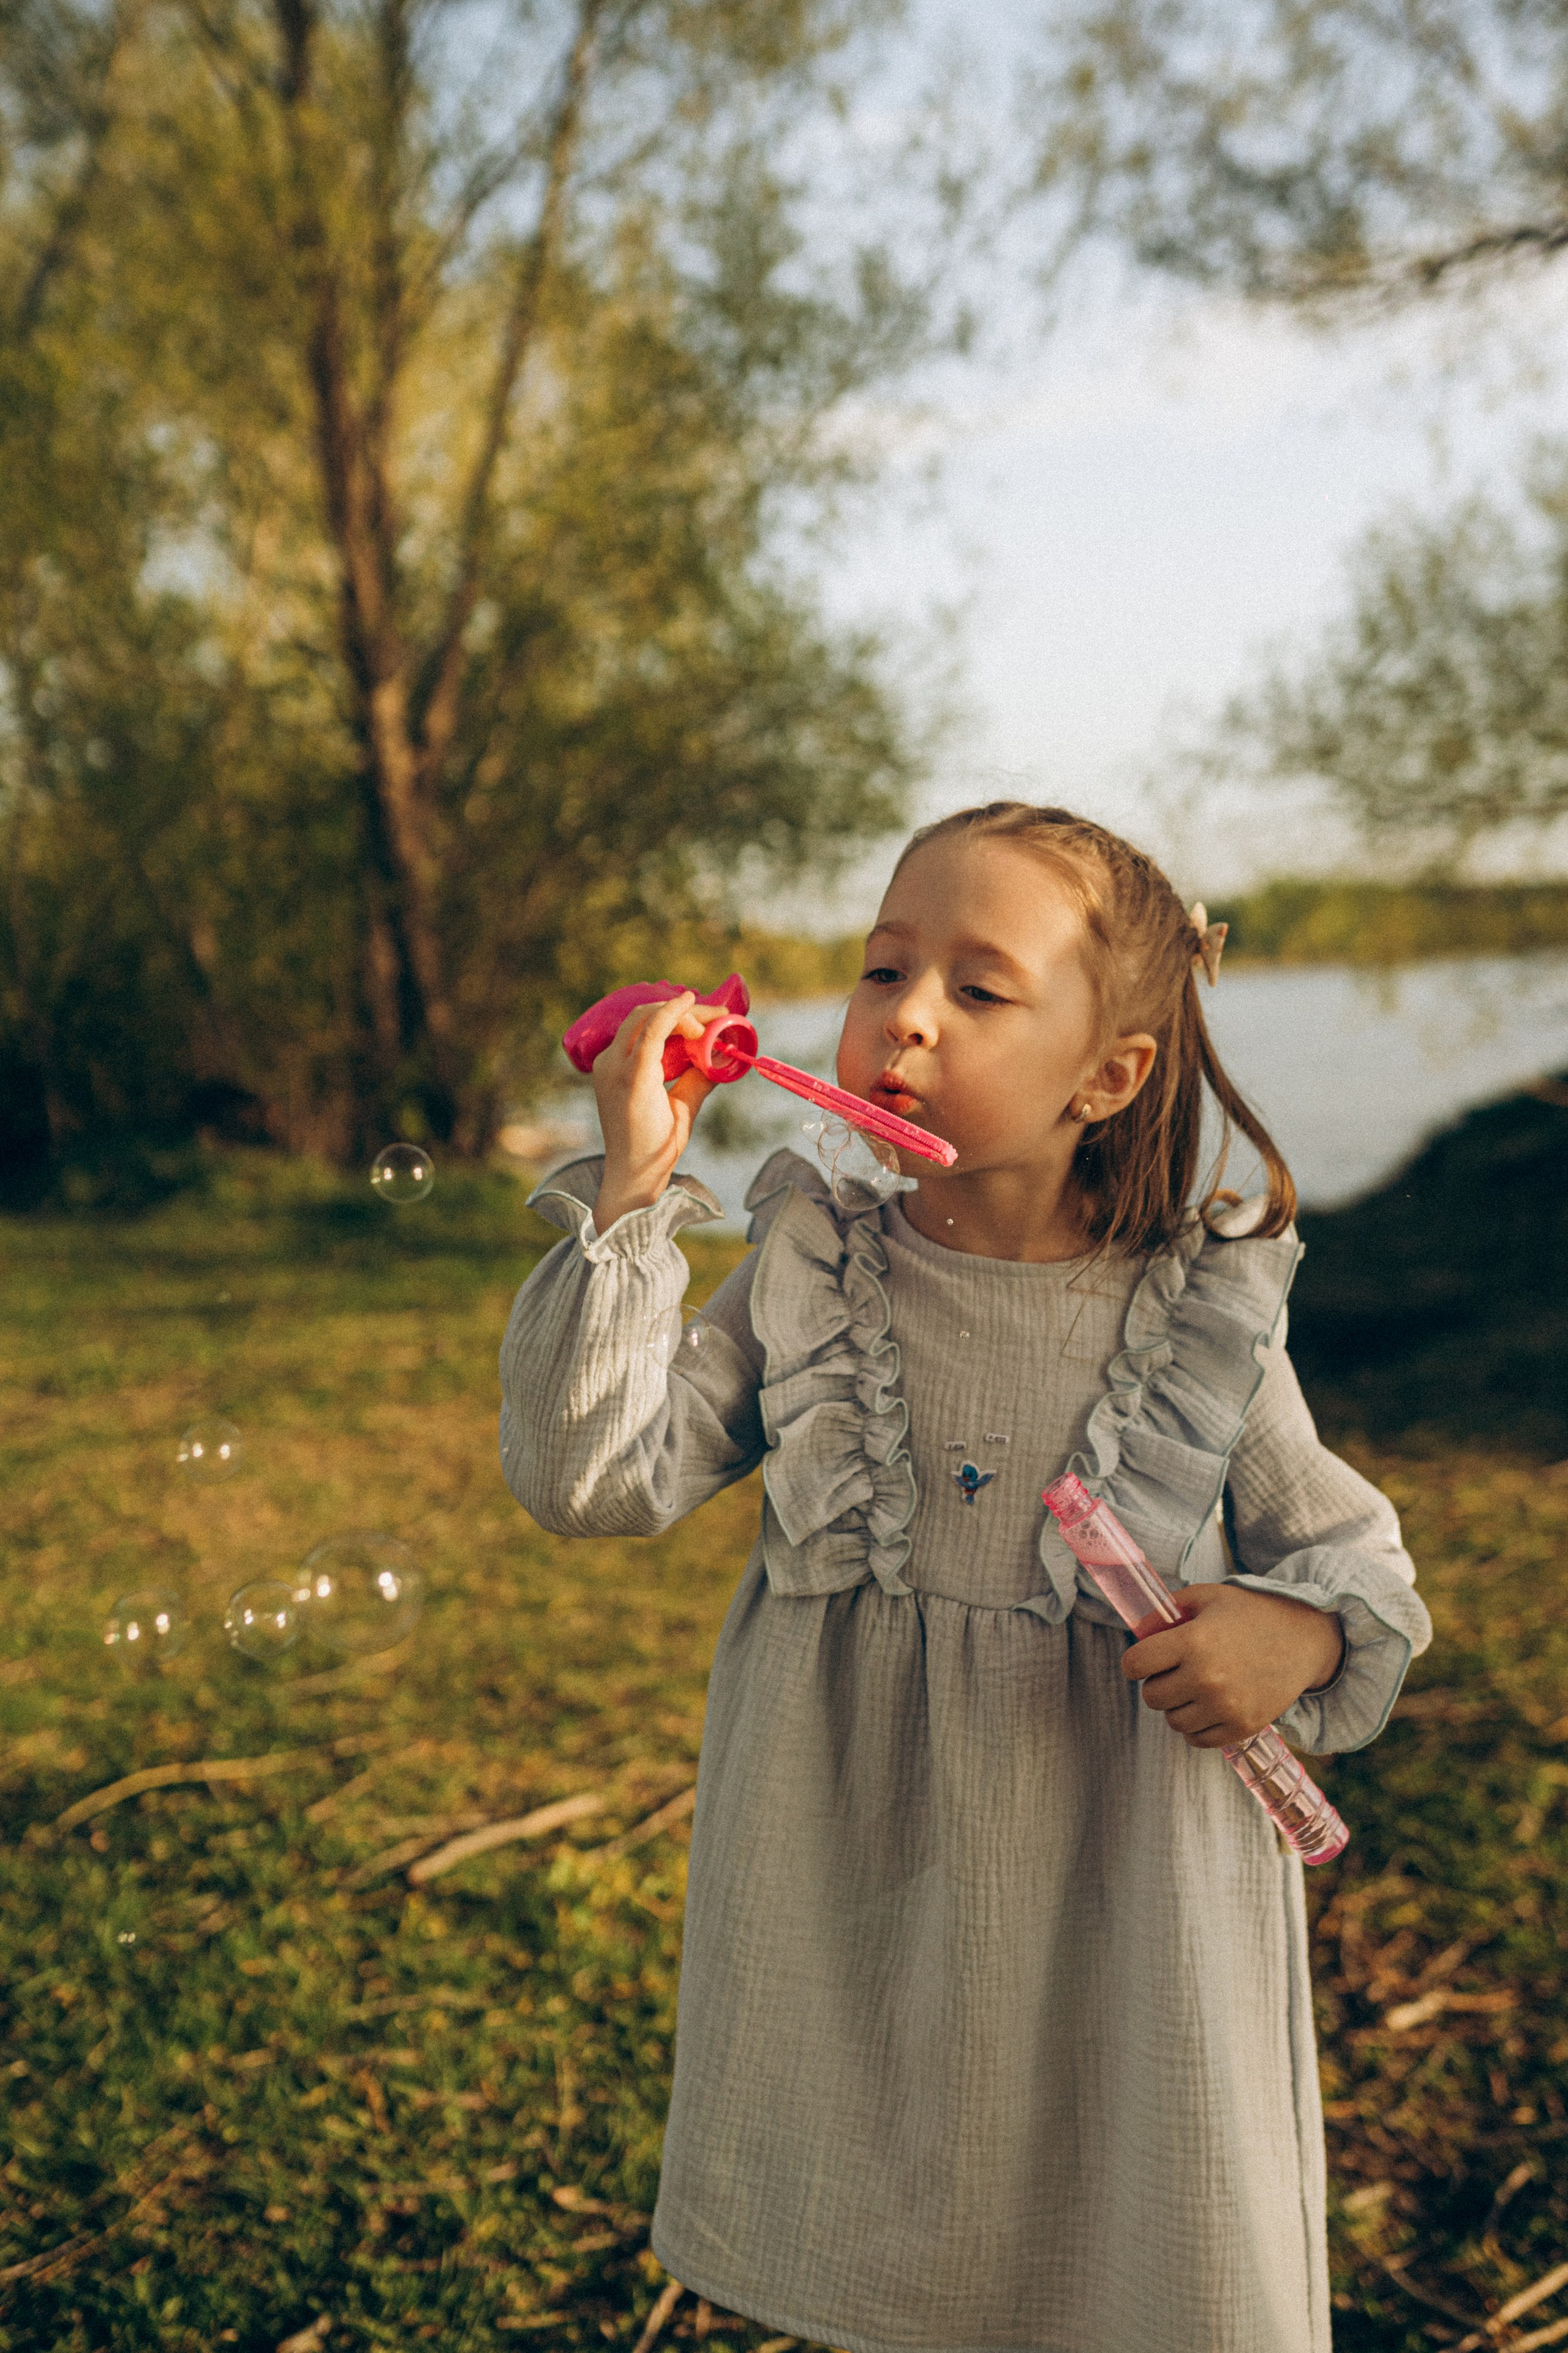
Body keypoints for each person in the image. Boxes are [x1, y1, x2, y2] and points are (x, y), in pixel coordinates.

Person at [499, 803, 1431, 2353]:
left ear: (1109, 1073)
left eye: (976, 988)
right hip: (860, 1877)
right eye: (881, 968)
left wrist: (1294, 1631)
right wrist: (627, 1191)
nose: (903, 1014)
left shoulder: (1187, 1319)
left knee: (1127, 2240)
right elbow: (589, 1476)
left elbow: (1355, 1560)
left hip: (1124, 1899)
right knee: (902, 2255)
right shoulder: (810, 1271)